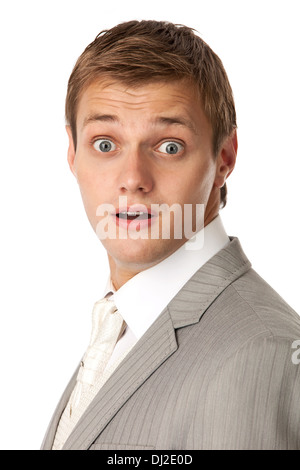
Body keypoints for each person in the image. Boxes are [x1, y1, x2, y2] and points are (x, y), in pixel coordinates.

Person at [41, 20, 300, 450]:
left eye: (169, 146)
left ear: (224, 158)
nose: (132, 179)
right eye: (105, 144)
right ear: (72, 153)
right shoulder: (122, 321)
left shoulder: (261, 352)